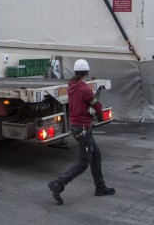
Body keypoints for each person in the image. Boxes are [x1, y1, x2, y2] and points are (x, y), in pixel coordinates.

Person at [48, 59, 115, 204]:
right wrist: (93, 109)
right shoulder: (84, 89)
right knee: (83, 162)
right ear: (87, 72)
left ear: (76, 72)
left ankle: (100, 187)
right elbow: (97, 107)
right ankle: (58, 184)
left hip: (78, 127)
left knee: (96, 155)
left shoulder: (72, 85)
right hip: (83, 129)